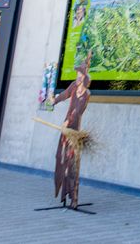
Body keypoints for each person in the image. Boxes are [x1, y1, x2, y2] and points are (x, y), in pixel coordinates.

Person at [49, 52, 92, 208]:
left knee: (73, 163)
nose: (78, 76)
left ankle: (73, 197)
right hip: (66, 129)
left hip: (74, 131)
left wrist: (68, 121)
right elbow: (64, 95)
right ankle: (63, 193)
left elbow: (78, 111)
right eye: (77, 74)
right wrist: (54, 100)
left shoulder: (86, 94)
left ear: (85, 76)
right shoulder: (74, 86)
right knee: (62, 159)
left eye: (80, 74)